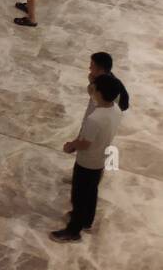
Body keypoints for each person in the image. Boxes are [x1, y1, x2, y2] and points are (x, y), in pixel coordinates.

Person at [51, 73, 124, 242]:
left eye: (95, 87)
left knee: (79, 196)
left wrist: (71, 146)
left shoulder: (95, 118)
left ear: (99, 92)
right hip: (100, 159)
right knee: (91, 192)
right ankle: (86, 220)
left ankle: (73, 230)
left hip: (87, 162)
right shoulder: (116, 110)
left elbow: (85, 143)